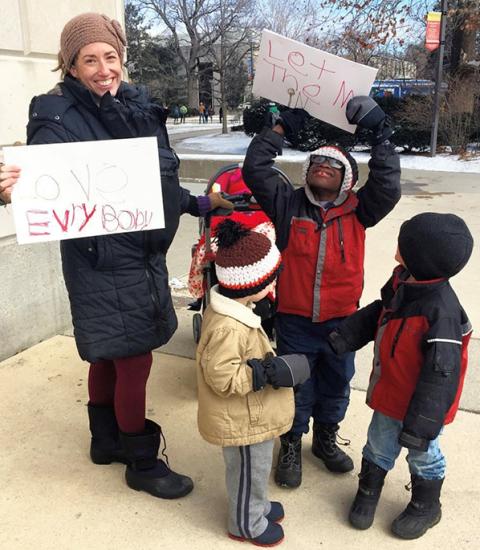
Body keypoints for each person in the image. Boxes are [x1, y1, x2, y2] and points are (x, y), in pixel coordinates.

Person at [0, 12, 233, 500]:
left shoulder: (134, 104)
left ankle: (104, 441)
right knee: (134, 357)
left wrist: (196, 203)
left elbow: (154, 179)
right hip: (101, 258)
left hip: (142, 251)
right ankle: (141, 460)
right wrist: (11, 190)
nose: (103, 68)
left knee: (110, 350)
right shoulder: (55, 114)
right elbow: (45, 181)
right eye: (90, 59)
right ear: (70, 64)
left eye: (110, 56)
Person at [242, 97, 401, 488]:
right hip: (295, 322)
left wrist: (381, 134)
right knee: (296, 387)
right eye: (317, 163)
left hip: (342, 323)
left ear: (347, 178)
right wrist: (277, 130)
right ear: (307, 171)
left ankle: (325, 440)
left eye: (333, 166)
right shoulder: (287, 204)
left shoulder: (360, 209)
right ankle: (292, 443)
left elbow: (388, 185)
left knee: (336, 385)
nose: (324, 168)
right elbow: (256, 169)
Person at [328, 212, 473, 540]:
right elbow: (380, 312)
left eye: (403, 244)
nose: (396, 248)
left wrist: (422, 426)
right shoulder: (404, 283)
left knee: (424, 456)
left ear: (422, 258)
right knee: (378, 444)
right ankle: (368, 491)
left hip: (423, 410)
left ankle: (426, 504)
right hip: (391, 395)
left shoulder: (442, 313)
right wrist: (344, 336)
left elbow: (441, 374)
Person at [196, 219, 310, 546]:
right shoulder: (229, 327)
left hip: (248, 412)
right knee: (248, 469)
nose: (274, 285)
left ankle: (255, 505)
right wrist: (264, 372)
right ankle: (245, 524)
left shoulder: (237, 307)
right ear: (251, 284)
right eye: (270, 279)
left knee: (255, 470)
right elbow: (222, 376)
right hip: (242, 419)